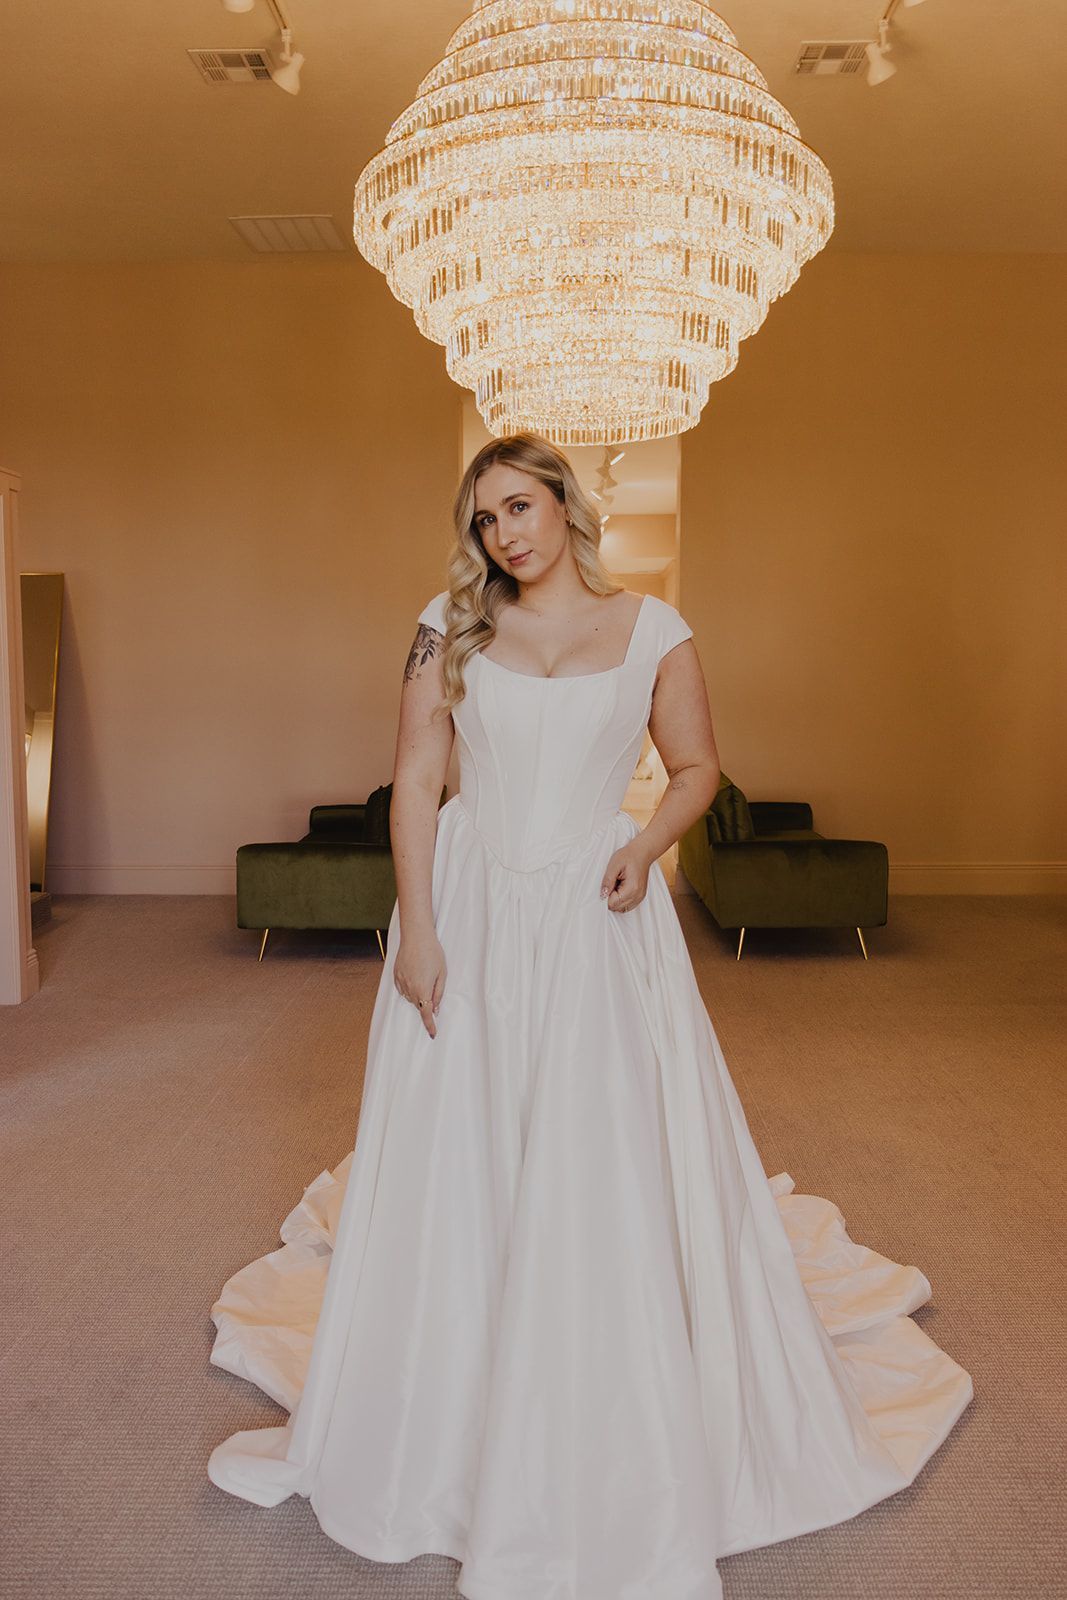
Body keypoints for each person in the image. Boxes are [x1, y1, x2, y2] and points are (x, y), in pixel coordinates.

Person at [207, 433, 973, 1600]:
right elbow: (416, 777)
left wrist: (644, 848)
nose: (502, 535)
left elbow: (698, 768)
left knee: (597, 1151)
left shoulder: (654, 631)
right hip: (469, 905)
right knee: (464, 1147)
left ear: (565, 504)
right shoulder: (443, 624)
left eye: (518, 506)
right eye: (483, 521)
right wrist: (415, 928)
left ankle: (594, 1384)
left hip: (592, 909)